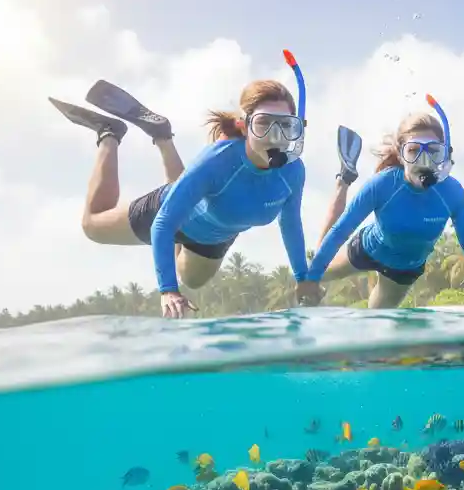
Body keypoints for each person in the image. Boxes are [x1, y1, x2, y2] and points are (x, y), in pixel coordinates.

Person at [49, 53, 315, 319]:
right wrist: (168, 291)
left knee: (193, 280)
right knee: (92, 226)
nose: (274, 137)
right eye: (264, 124)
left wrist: (303, 277)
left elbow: (290, 222)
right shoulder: (217, 161)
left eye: (285, 127)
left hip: (213, 237)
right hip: (167, 214)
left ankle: (162, 136)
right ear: (243, 126)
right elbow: (164, 223)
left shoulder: (292, 172)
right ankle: (109, 133)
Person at [301, 98, 464, 308]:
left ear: (444, 155)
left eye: (433, 152)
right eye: (413, 151)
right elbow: (341, 230)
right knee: (315, 273)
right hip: (368, 249)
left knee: (378, 324)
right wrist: (312, 277)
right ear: (401, 154)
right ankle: (344, 179)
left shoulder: (452, 192)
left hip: (404, 270)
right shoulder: (382, 184)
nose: (423, 161)